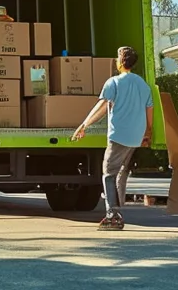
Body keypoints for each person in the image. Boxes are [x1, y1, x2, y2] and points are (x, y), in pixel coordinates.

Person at [73, 46, 153, 231]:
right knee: (120, 171)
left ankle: (112, 216)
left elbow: (101, 107)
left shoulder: (114, 82)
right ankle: (117, 209)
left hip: (119, 135)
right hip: (135, 136)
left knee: (108, 172)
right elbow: (150, 110)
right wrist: (147, 133)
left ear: (120, 62)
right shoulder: (143, 84)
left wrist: (84, 125)